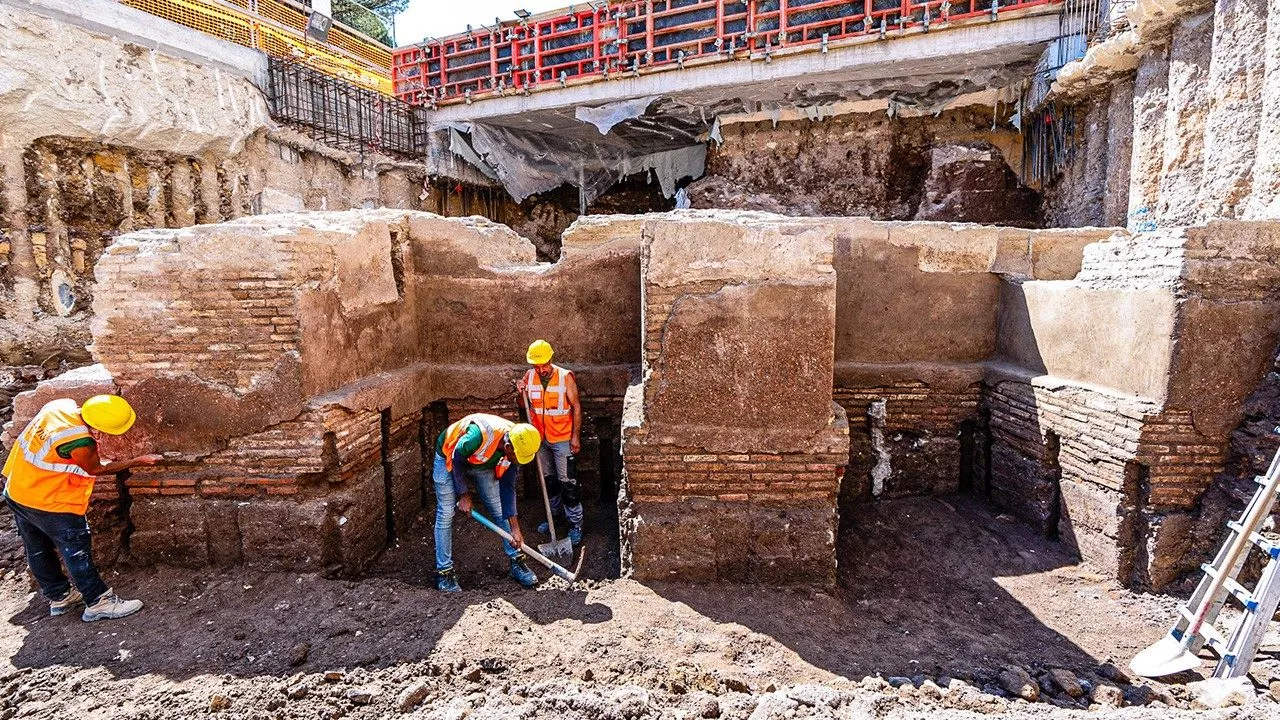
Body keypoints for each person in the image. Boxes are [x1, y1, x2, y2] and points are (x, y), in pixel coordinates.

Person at [2, 395, 160, 621]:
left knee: (37, 548)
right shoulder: (79, 442)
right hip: (50, 501)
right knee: (76, 550)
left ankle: (59, 597)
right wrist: (136, 461)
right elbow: (93, 468)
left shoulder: (59, 406)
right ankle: (98, 602)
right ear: (97, 429)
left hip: (18, 490)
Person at [432, 412, 542, 592]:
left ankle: (517, 561)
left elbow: (508, 488)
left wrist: (515, 528)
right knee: (446, 512)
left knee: (498, 508)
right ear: (507, 447)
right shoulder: (477, 436)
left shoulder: (516, 449)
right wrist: (464, 495)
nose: (518, 461)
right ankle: (445, 573)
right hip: (449, 455)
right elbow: (457, 460)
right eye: (516, 457)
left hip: (481, 461)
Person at [516, 340, 584, 546]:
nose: (541, 369)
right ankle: (553, 518)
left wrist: (575, 437)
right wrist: (521, 393)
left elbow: (577, 408)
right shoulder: (529, 377)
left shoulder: (565, 377)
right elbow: (524, 405)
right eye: (537, 366)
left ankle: (575, 523)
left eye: (544, 364)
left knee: (567, 483)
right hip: (540, 439)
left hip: (562, 437)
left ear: (551, 359)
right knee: (549, 482)